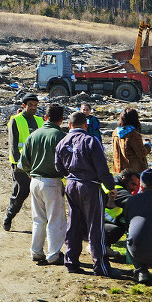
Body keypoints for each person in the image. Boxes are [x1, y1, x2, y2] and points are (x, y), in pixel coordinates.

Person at [55, 112, 117, 277]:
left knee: (73, 225)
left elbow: (58, 167)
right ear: (86, 125)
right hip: (90, 186)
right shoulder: (91, 141)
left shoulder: (62, 142)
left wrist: (69, 176)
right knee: (95, 226)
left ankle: (71, 262)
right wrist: (111, 187)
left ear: (69, 125)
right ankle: (101, 266)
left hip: (71, 184)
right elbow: (102, 168)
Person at [18, 103, 67, 265]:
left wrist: (30, 173)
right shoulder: (61, 136)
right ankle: (53, 254)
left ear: (45, 118)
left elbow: (23, 162)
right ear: (61, 119)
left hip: (35, 181)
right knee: (55, 219)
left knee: (38, 219)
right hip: (52, 182)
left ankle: (36, 251)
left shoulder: (34, 135)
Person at [3, 93, 44, 231]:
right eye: (30, 105)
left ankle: (41, 224)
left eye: (35, 105)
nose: (33, 108)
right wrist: (20, 164)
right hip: (21, 165)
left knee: (41, 193)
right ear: (24, 106)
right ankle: (9, 216)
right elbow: (14, 146)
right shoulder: (16, 121)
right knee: (22, 192)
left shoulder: (40, 121)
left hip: (37, 164)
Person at [103, 169, 140, 257]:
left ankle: (103, 245)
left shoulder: (112, 183)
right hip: (92, 224)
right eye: (133, 184)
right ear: (124, 181)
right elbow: (133, 203)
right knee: (115, 230)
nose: (134, 188)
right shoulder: (116, 189)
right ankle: (99, 246)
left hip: (99, 221)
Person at [112, 108, 151, 173]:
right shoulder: (134, 134)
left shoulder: (115, 132)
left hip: (119, 169)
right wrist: (148, 145)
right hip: (134, 170)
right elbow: (141, 153)